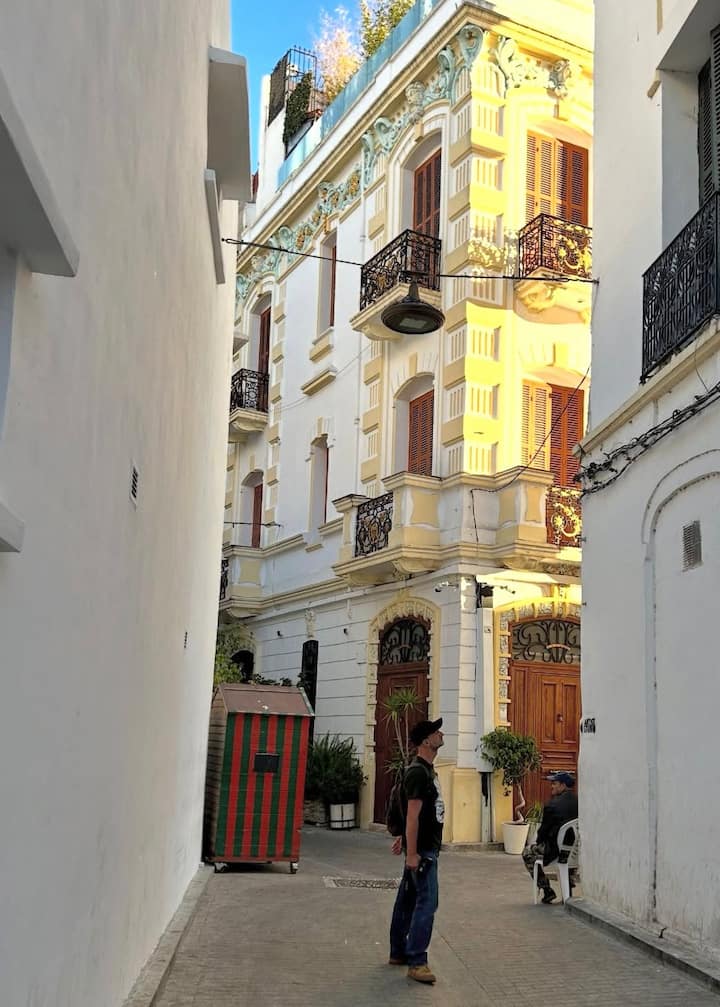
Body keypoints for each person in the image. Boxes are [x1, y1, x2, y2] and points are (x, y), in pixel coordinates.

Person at [388, 718, 445, 984]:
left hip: (420, 847)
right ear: (426, 741)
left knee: (408, 899)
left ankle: (398, 952)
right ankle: (417, 961)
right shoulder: (418, 773)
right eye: (435, 732)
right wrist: (412, 852)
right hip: (423, 851)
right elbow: (412, 815)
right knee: (427, 903)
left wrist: (404, 839)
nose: (440, 734)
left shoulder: (426, 771)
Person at [522, 771, 578, 904]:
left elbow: (542, 833)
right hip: (576, 851)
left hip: (556, 851)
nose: (551, 786)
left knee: (527, 853)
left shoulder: (552, 806)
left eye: (554, 783)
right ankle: (568, 889)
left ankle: (547, 890)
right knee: (567, 849)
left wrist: (538, 843)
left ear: (563, 785)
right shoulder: (580, 802)